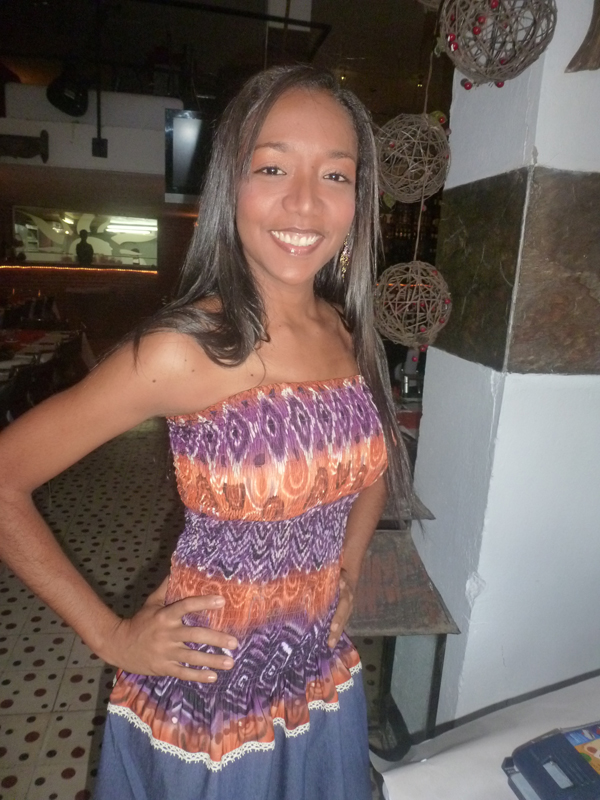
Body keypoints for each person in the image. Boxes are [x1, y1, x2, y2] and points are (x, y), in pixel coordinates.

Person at [0, 65, 413, 799]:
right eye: (273, 167)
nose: (305, 202)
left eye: (336, 175)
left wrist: (346, 571)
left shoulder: (347, 333)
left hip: (319, 674)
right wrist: (110, 635)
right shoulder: (183, 350)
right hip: (214, 697)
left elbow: (372, 474)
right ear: (231, 183)